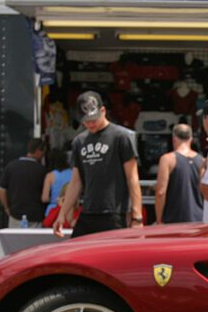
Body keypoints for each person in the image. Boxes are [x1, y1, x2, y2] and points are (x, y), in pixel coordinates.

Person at [54, 90, 143, 239]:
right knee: (75, 254)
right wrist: (62, 214)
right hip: (88, 211)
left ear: (103, 111)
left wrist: (137, 217)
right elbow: (76, 182)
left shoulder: (121, 137)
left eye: (93, 119)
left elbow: (132, 178)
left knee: (112, 259)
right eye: (85, 120)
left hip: (114, 213)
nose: (90, 124)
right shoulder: (79, 141)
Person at [155, 124, 203, 224]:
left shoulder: (167, 159)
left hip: (174, 220)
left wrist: (159, 219)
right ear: (191, 139)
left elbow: (161, 192)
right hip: (198, 219)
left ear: (174, 138)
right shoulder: (202, 161)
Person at [0, 138, 46, 228]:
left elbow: (1, 188)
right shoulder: (42, 170)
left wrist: (6, 207)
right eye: (43, 152)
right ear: (39, 151)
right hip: (35, 216)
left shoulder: (11, 166)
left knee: (14, 241)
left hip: (15, 215)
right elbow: (45, 196)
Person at [41, 148, 72, 217]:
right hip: (69, 209)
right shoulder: (72, 173)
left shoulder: (50, 176)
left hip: (53, 210)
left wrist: (54, 199)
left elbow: (44, 198)